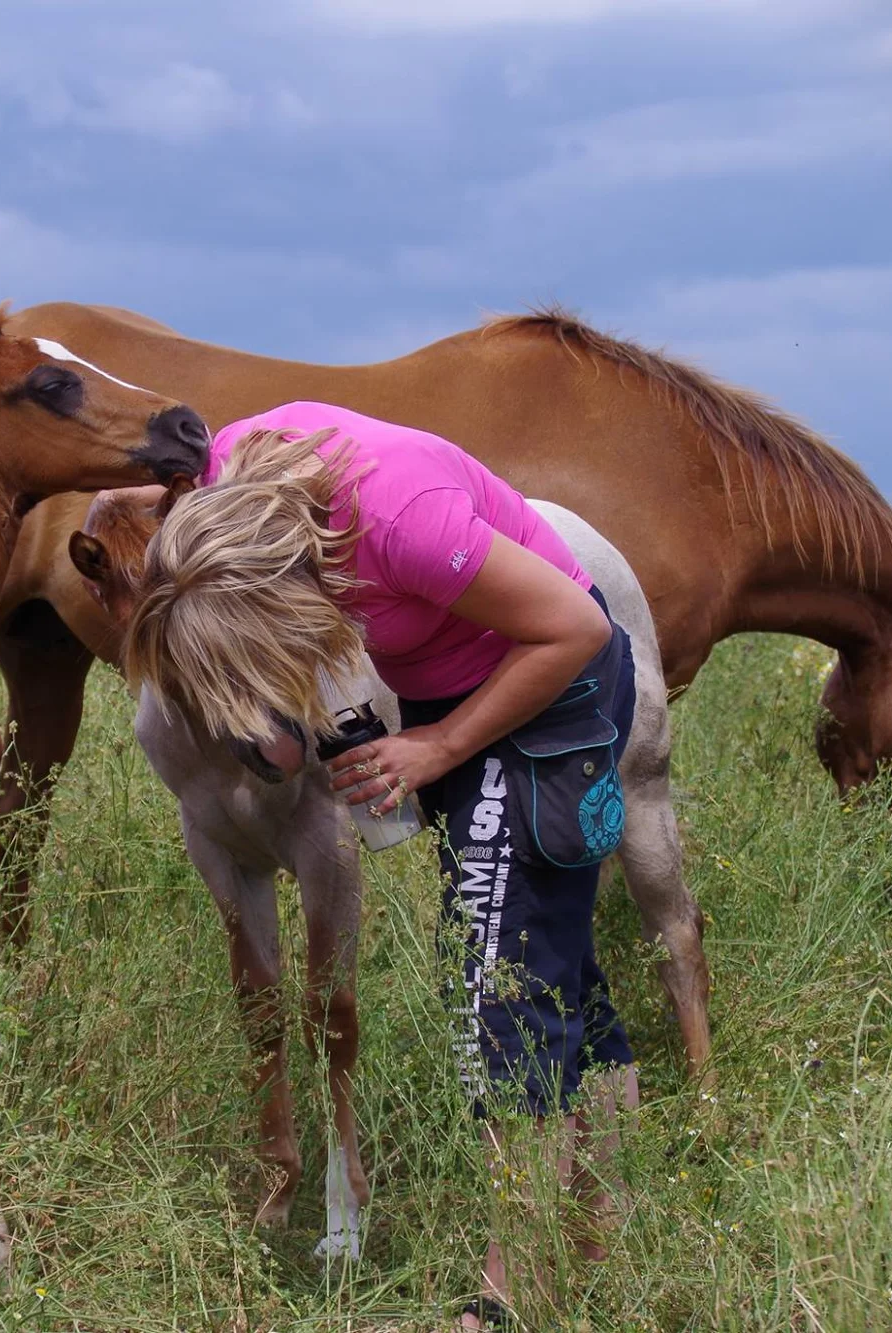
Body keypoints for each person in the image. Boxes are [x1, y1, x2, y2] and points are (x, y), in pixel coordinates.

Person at [122, 402, 641, 1330]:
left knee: (499, 980)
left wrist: (439, 746)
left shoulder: (401, 516)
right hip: (461, 688)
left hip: (549, 682)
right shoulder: (227, 490)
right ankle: (602, 1236)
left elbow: (575, 631)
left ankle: (512, 1295)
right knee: (552, 967)